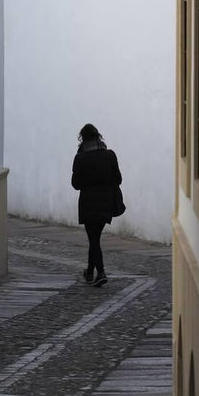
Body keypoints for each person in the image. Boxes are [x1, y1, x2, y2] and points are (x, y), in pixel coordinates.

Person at [71, 123, 122, 287]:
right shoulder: (109, 155)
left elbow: (76, 184)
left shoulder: (80, 158)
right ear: (98, 137)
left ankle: (100, 272)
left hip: (88, 204)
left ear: (83, 139)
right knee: (95, 238)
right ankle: (90, 271)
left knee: (93, 239)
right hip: (106, 203)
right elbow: (118, 179)